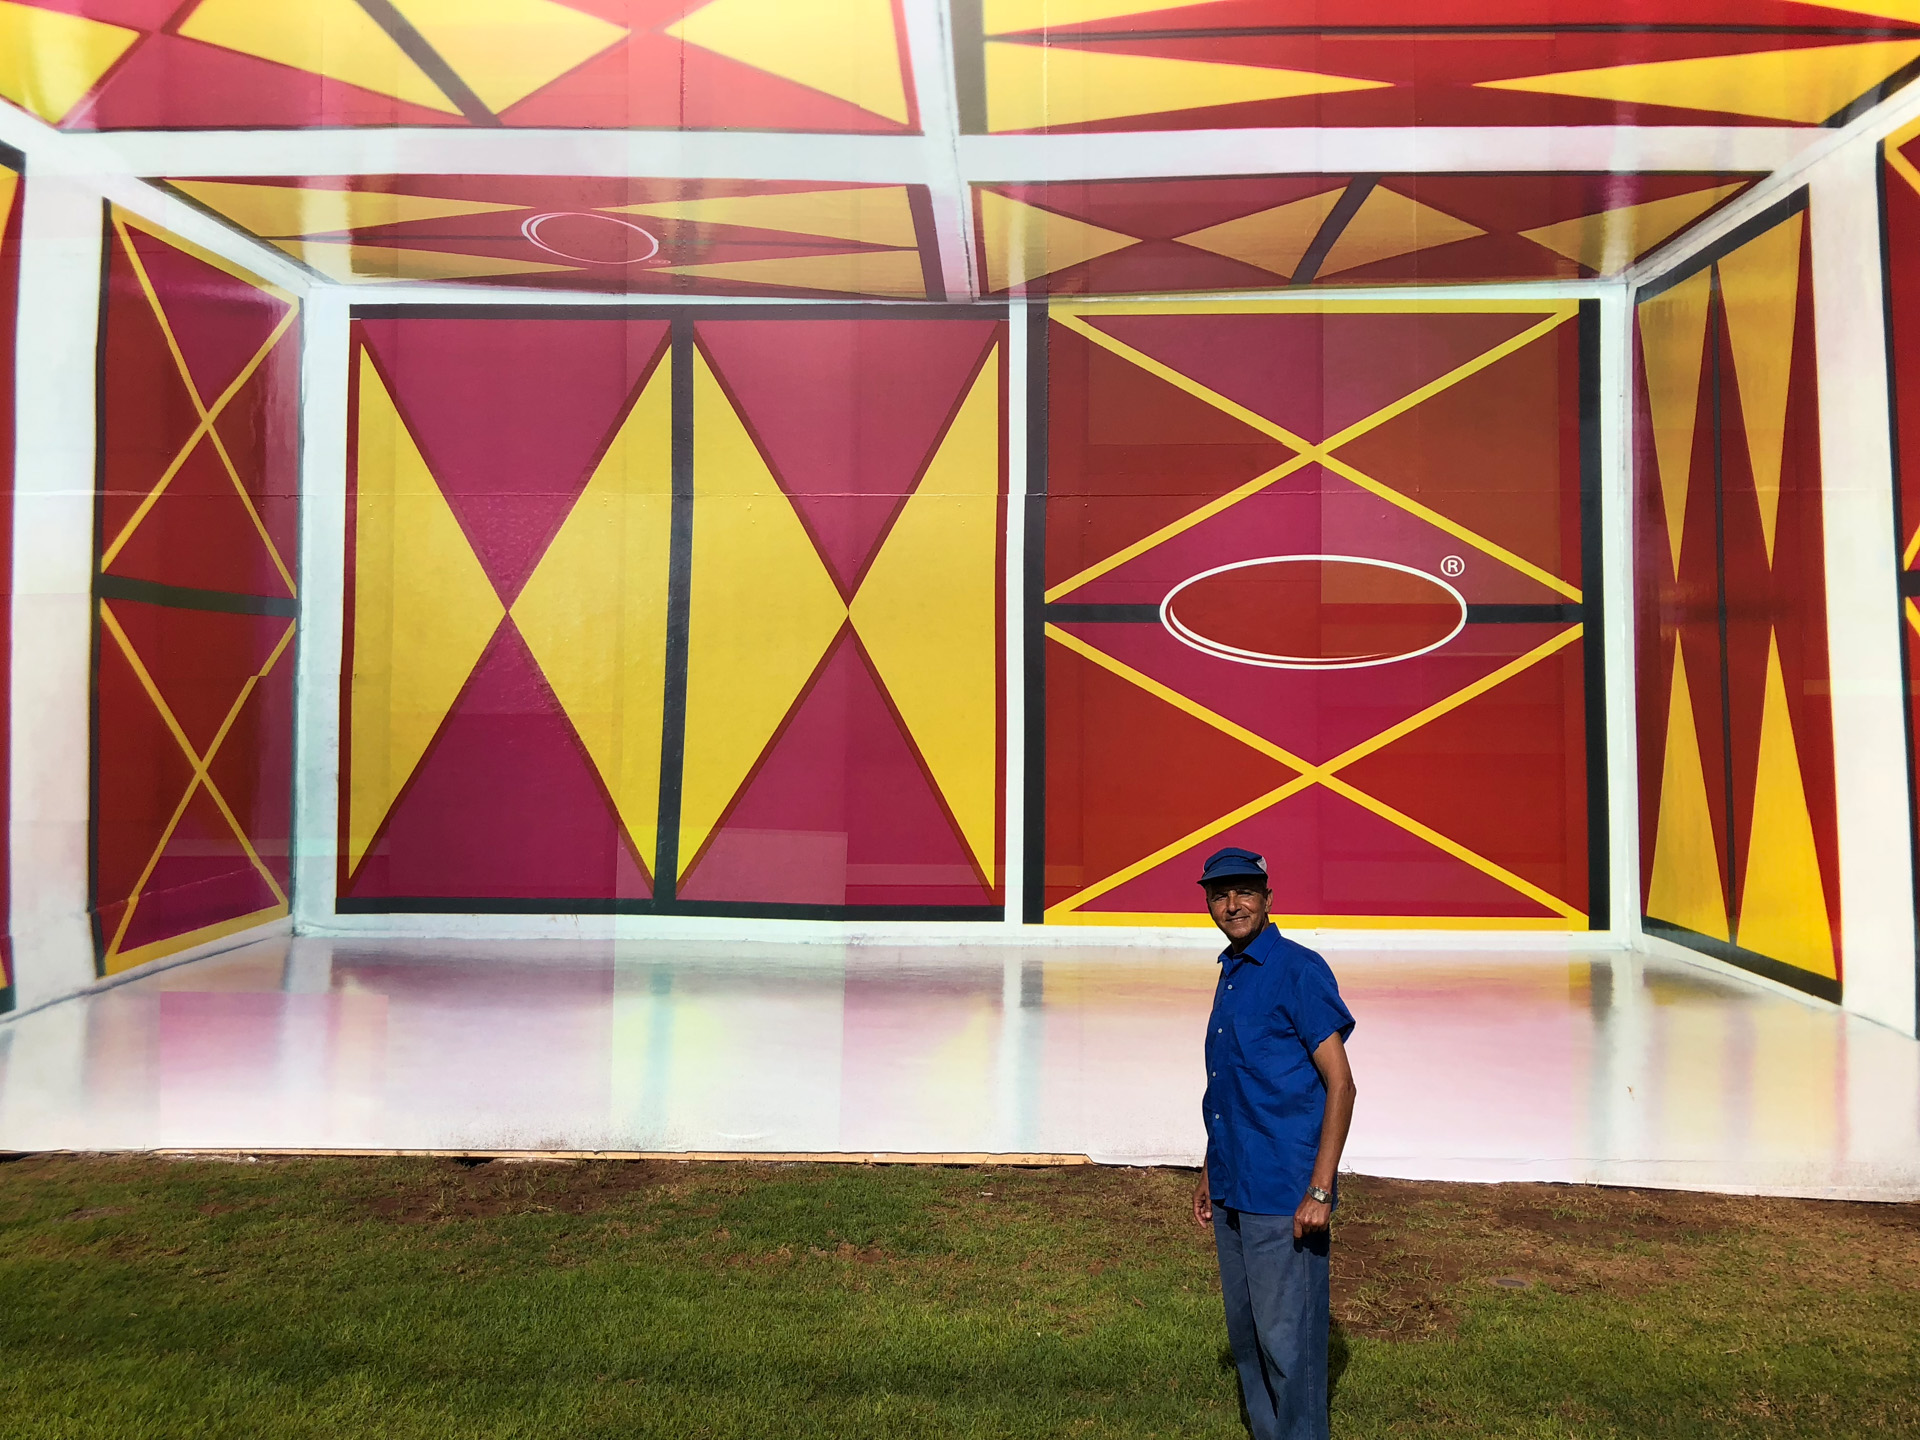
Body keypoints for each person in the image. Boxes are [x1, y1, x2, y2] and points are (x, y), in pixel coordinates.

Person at [1190, 846, 1357, 1440]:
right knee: (1248, 1339)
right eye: (1220, 894)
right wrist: (1209, 1169)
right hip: (1233, 1183)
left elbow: (1342, 1084)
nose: (1232, 904)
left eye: (1245, 892)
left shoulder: (1298, 970)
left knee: (1289, 1345)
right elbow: (1232, 1085)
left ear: (1267, 898)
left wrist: (1321, 1190)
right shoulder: (1231, 973)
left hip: (1283, 1192)